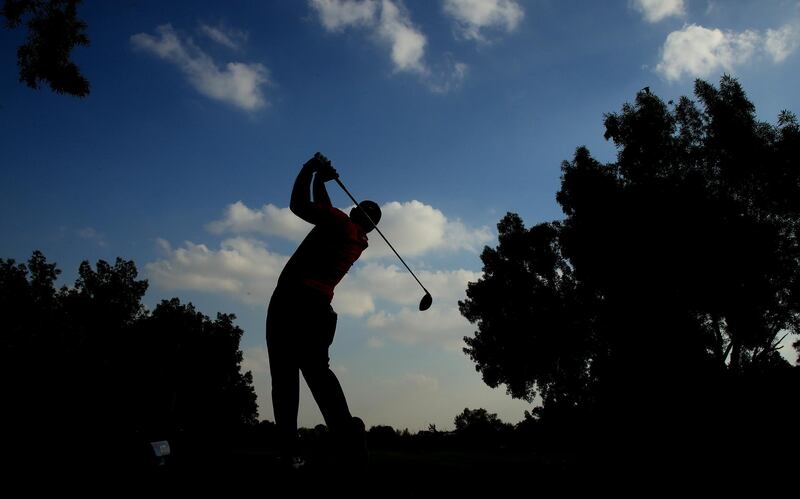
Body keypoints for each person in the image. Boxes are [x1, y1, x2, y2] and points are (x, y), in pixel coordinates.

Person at [266, 152, 381, 469]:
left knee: (284, 377)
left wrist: (309, 168)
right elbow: (327, 209)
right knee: (318, 373)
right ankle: (348, 435)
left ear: (355, 212)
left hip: (292, 301)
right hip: (319, 310)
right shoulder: (356, 238)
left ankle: (290, 451)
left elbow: (299, 206)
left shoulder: (340, 224)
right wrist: (321, 179)